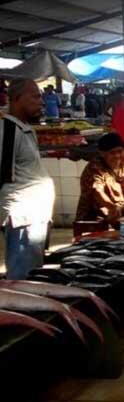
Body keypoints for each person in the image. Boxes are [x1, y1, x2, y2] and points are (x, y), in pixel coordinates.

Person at [0, 79, 54, 280]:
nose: (41, 102)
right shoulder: (8, 130)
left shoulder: (23, 128)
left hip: (34, 215)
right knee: (23, 277)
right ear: (16, 99)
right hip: (22, 216)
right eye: (35, 96)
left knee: (33, 273)